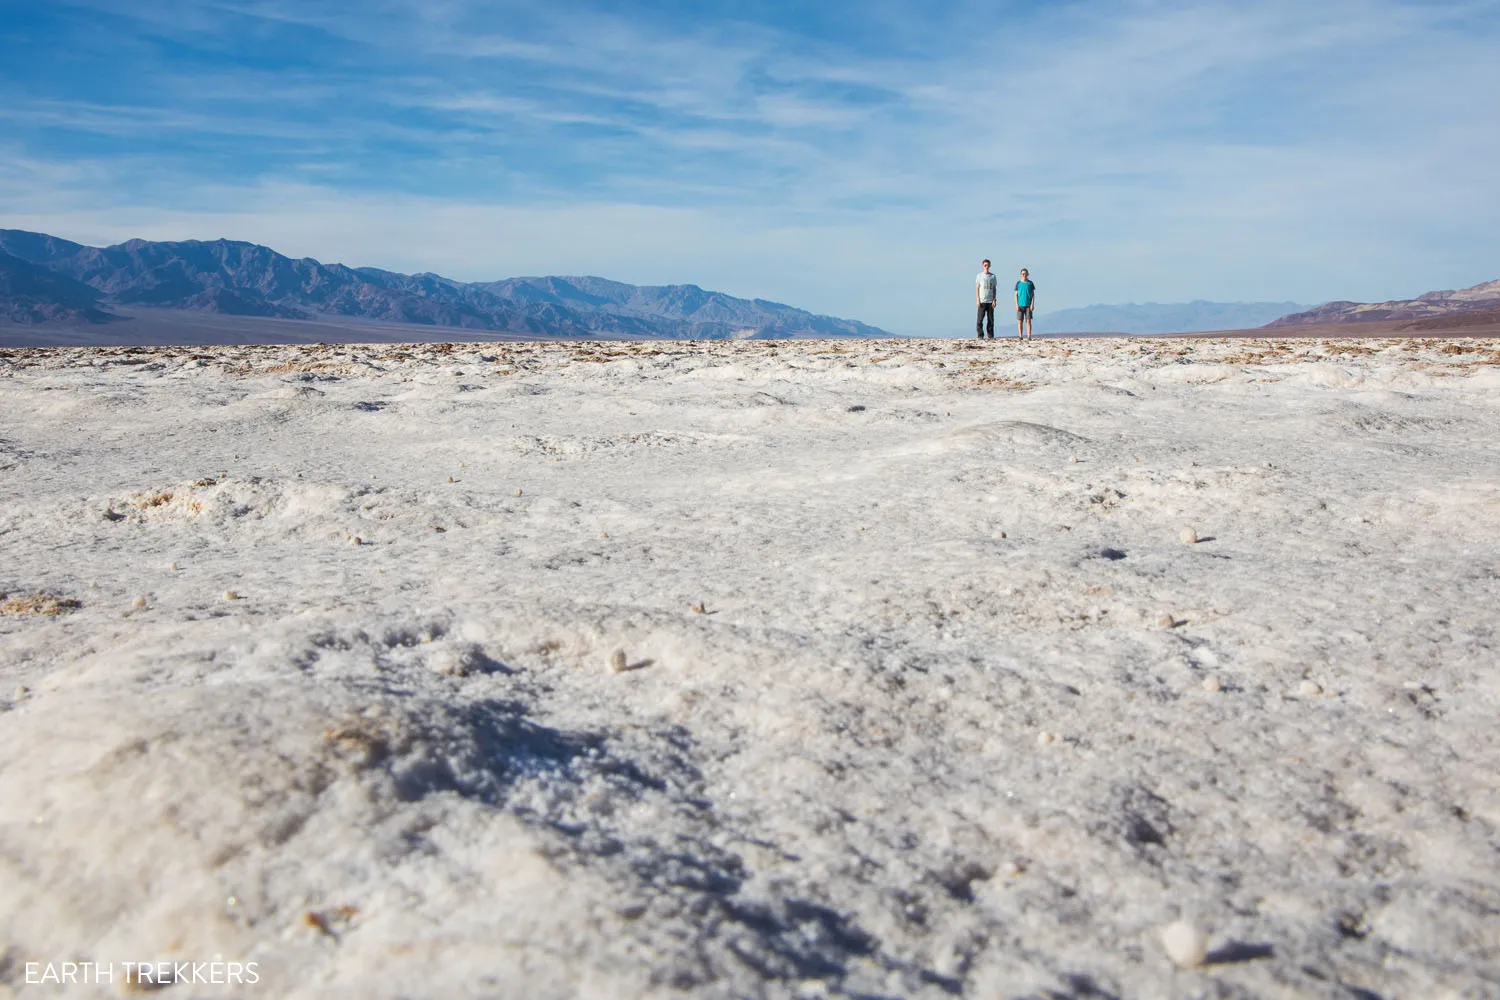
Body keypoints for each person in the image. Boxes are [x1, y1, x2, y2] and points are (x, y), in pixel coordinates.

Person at [975, 259, 997, 339]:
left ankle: (990, 335)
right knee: (980, 319)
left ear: (990, 266)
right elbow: (977, 288)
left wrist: (994, 299)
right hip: (982, 300)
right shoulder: (979, 276)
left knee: (990, 320)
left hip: (990, 301)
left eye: (988, 265)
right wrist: (977, 299)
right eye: (985, 265)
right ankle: (980, 335)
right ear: (982, 266)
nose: (986, 267)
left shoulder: (993, 276)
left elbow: (994, 288)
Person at [1015, 268, 1036, 340]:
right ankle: (1020, 336)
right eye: (1023, 274)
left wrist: (1032, 304)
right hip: (1020, 305)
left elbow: (1033, 294)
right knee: (1020, 321)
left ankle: (1029, 336)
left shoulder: (1030, 283)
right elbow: (1016, 295)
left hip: (1028, 305)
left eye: (1025, 274)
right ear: (1021, 275)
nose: (1024, 275)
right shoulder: (1018, 283)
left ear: (1027, 274)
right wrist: (1016, 304)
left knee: (1028, 320)